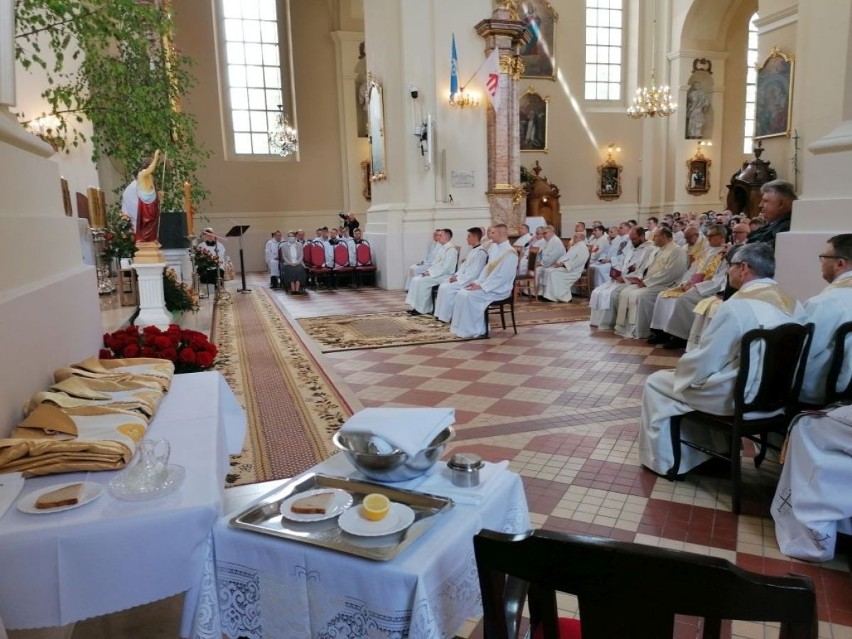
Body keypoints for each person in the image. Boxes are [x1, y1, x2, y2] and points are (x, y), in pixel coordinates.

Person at [638, 242, 808, 477]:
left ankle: (665, 462)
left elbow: (707, 360)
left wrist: (683, 370)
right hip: (777, 398)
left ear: (744, 268)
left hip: (739, 398)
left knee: (657, 383)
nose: (728, 271)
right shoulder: (793, 302)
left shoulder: (737, 306)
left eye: (731, 266)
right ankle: (713, 450)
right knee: (692, 381)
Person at [648, 224, 728, 349]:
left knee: (683, 300)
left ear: (722, 237)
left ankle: (681, 336)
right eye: (707, 236)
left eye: (711, 236)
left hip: (708, 290)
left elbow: (720, 280)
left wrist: (697, 287)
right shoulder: (706, 252)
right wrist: (685, 282)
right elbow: (692, 269)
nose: (708, 238)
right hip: (693, 286)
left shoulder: (726, 254)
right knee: (663, 295)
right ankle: (661, 332)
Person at [798, 234, 852, 404]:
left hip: (824, 393)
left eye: (824, 257)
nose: (821, 263)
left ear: (840, 263)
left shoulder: (825, 303)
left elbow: (803, 352)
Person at [614, 227, 688, 339]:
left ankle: (645, 331)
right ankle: (627, 328)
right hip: (650, 282)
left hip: (667, 285)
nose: (653, 239)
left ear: (663, 237)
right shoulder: (658, 249)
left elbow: (671, 273)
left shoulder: (677, 251)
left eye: (656, 236)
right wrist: (640, 278)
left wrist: (647, 282)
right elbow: (646, 267)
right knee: (626, 292)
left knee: (643, 296)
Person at [450, 224, 519, 338]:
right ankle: (460, 328)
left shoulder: (510, 253)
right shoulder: (496, 248)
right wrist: (477, 283)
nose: (489, 235)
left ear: (500, 233)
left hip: (499, 289)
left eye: (492, 233)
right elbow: (487, 270)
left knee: (469, 296)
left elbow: (502, 278)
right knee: (461, 293)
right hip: (487, 286)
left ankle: (476, 330)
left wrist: (482, 286)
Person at [589, 227, 655, 330]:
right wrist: (616, 272)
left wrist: (624, 278)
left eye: (634, 239)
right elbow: (623, 262)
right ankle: (597, 322)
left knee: (611, 295)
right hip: (622, 278)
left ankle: (609, 323)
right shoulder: (632, 246)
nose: (632, 242)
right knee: (598, 292)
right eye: (631, 239)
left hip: (633, 281)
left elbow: (642, 270)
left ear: (642, 236)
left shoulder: (650, 249)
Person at [434, 227, 489, 322]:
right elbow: (463, 268)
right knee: (443, 284)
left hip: (470, 281)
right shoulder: (472, 251)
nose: (466, 238)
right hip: (463, 278)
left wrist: (458, 279)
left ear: (475, 237)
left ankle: (448, 316)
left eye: (469, 236)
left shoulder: (481, 253)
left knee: (446, 288)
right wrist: (455, 276)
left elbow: (474, 273)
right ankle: (440, 314)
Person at [405, 229, 457, 315]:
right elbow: (435, 264)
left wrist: (430, 273)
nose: (438, 237)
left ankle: (422, 309)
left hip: (445, 276)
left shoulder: (451, 250)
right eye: (438, 235)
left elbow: (446, 268)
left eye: (441, 235)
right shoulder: (442, 248)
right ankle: (417, 306)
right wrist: (428, 271)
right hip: (437, 274)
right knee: (415, 279)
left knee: (421, 281)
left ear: (447, 237)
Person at [120, 150, 162, 243]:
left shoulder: (149, 176)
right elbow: (151, 169)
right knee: (148, 221)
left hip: (151, 203)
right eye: (151, 165)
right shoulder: (141, 175)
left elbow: (150, 188)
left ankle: (151, 238)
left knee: (152, 221)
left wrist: (158, 194)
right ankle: (146, 237)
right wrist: (156, 156)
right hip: (146, 206)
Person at [541, 231, 590, 303]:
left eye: (576, 237)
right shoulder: (576, 246)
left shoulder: (583, 248)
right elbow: (566, 256)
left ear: (581, 238)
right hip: (567, 268)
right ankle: (549, 295)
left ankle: (562, 296)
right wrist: (558, 262)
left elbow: (578, 262)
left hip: (573, 270)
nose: (574, 238)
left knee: (553, 273)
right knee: (549, 270)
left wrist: (563, 264)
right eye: (574, 236)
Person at [747, 180, 797, 249]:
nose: (760, 205)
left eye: (765, 201)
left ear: (781, 204)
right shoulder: (772, 225)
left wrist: (733, 250)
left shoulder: (786, 228)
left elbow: (758, 252)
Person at [535, 225, 567, 295]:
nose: (543, 236)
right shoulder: (547, 241)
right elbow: (540, 253)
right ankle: (539, 292)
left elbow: (552, 257)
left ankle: (546, 293)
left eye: (545, 233)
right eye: (543, 233)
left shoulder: (555, 241)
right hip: (548, 263)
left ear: (551, 232)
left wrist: (540, 263)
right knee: (537, 270)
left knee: (540, 270)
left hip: (555, 264)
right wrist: (538, 261)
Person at [279, 231, 307, 295]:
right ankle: (293, 289)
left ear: (295, 237)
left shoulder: (299, 245)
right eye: (289, 236)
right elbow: (284, 256)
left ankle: (297, 289)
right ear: (287, 237)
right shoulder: (284, 246)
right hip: (288, 263)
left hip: (298, 263)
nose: (291, 237)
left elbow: (301, 256)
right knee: (290, 270)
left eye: (292, 236)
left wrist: (297, 262)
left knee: (299, 269)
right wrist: (290, 263)